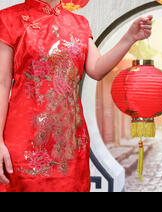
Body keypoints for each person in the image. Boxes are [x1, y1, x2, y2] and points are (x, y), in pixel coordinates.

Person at [0, 0, 153, 192]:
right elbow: (2, 83)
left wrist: (129, 38)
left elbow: (96, 69)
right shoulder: (9, 19)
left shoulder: (79, 23)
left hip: (69, 144)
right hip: (24, 144)